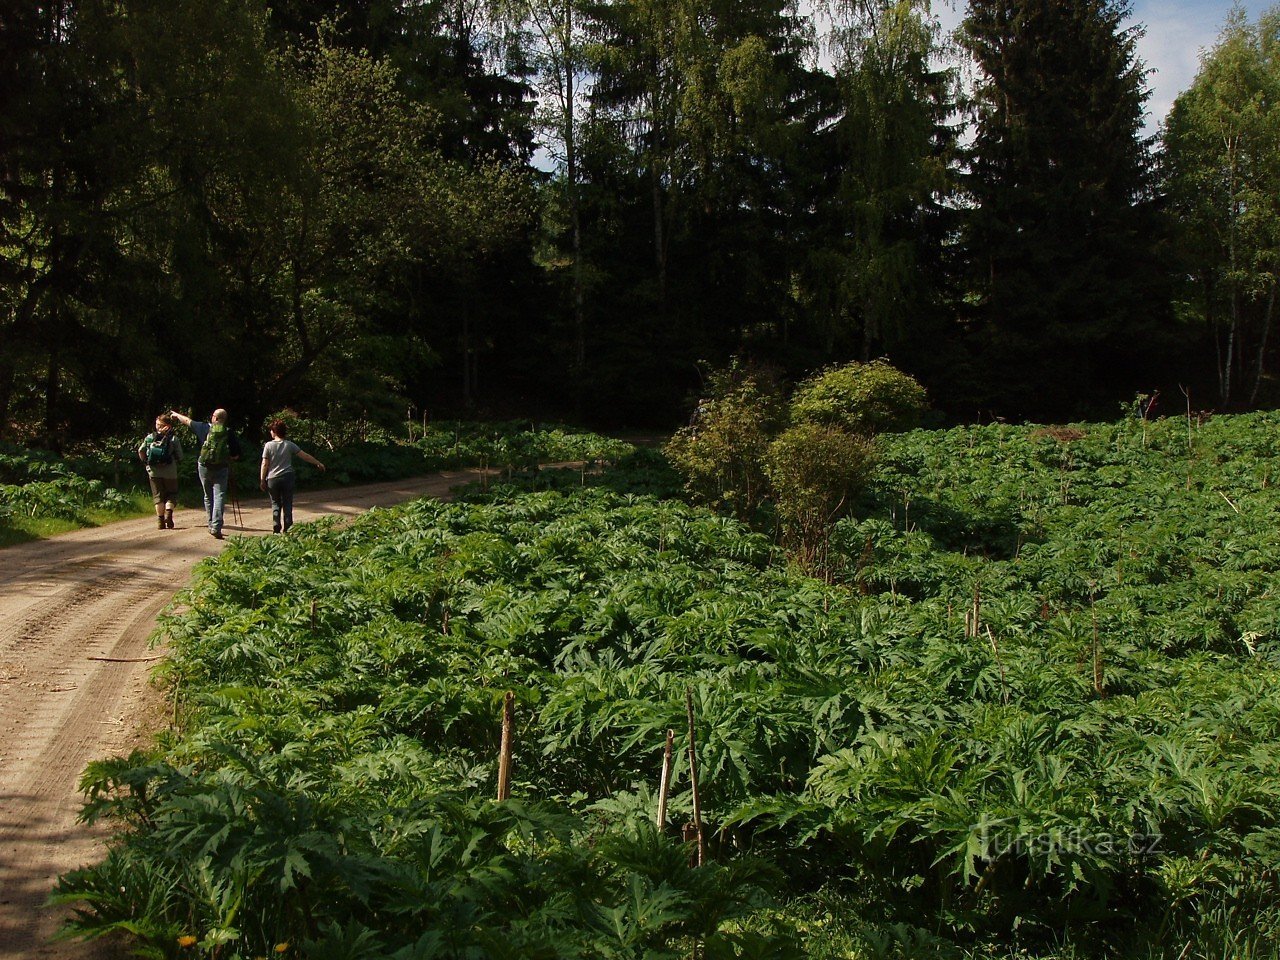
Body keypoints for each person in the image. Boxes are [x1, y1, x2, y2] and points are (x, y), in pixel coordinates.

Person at [168, 407, 242, 539]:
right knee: (219, 496)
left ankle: (210, 524)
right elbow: (236, 455)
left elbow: (187, 421)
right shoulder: (229, 433)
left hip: (204, 466)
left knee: (208, 496)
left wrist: (176, 414)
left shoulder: (203, 428)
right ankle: (216, 526)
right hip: (221, 468)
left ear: (215, 418)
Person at [260, 419, 325, 534]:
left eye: (271, 430)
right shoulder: (289, 445)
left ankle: (276, 525)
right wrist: (317, 463)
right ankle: (288, 528)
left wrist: (262, 479)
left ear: (274, 432)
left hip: (272, 478)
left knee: (275, 503)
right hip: (287, 477)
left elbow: (265, 463)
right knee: (287, 502)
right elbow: (304, 455)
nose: (270, 432)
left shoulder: (268, 445)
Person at [137, 414, 184, 530]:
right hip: (170, 472)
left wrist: (146, 463)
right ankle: (169, 514)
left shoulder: (149, 437)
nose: (157, 426)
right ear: (168, 426)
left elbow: (140, 451)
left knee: (158, 496)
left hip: (154, 472)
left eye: (158, 424)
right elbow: (180, 456)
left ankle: (160, 522)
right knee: (171, 494)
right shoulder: (173, 439)